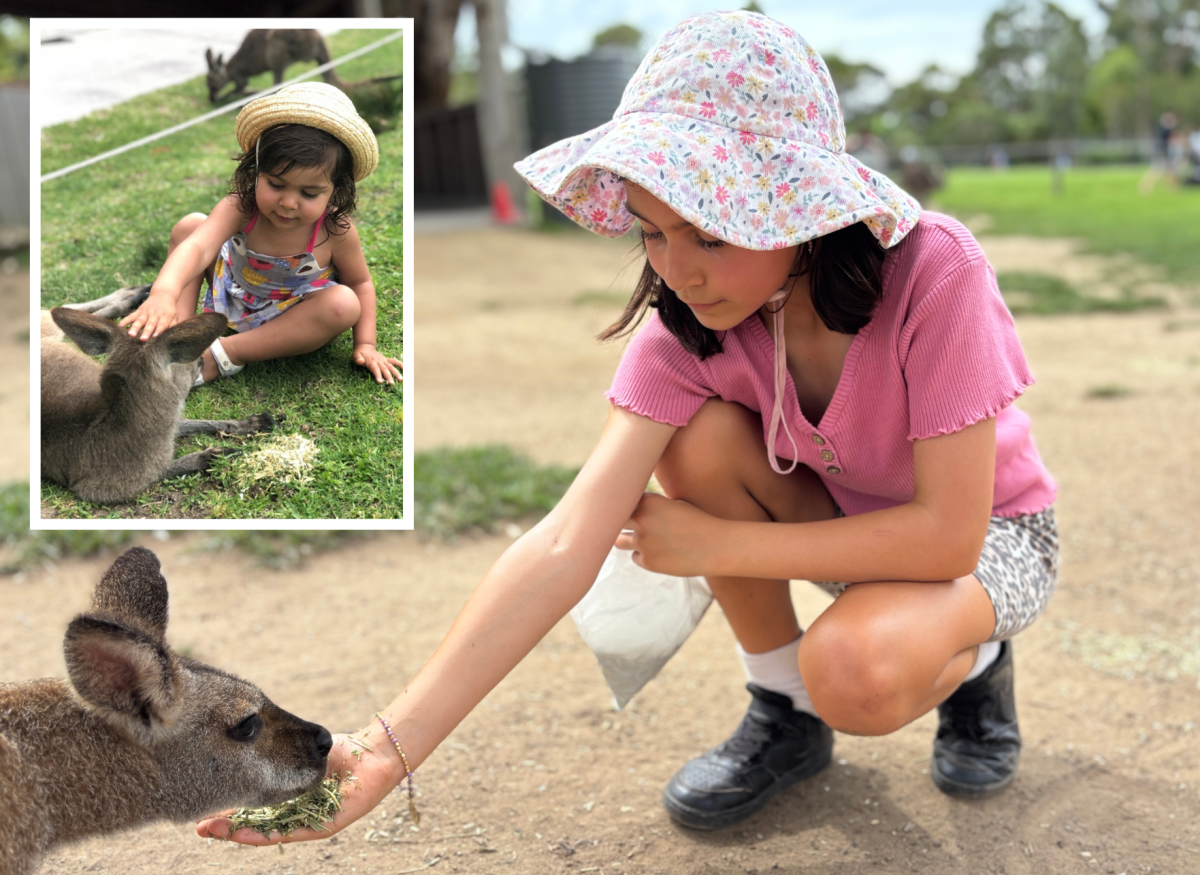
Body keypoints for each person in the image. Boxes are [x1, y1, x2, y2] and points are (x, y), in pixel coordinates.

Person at [198, 10, 1057, 842]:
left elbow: (947, 537)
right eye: (652, 232)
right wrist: (389, 749)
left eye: (709, 233)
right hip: (841, 525)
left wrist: (717, 546)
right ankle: (783, 706)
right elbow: (567, 537)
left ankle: (977, 667)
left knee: (857, 672)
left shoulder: (932, 267)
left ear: (798, 202)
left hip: (989, 540)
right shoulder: (687, 324)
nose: (678, 271)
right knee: (694, 437)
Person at [119, 82, 401, 385]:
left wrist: (365, 345)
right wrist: (163, 293)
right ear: (256, 171)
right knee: (191, 226)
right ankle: (182, 334)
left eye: (309, 193)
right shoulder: (242, 207)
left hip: (295, 318)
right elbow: (199, 247)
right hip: (234, 293)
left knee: (343, 303)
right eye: (276, 185)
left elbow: (360, 283)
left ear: (336, 189)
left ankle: (223, 354)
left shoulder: (336, 231)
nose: (288, 202)